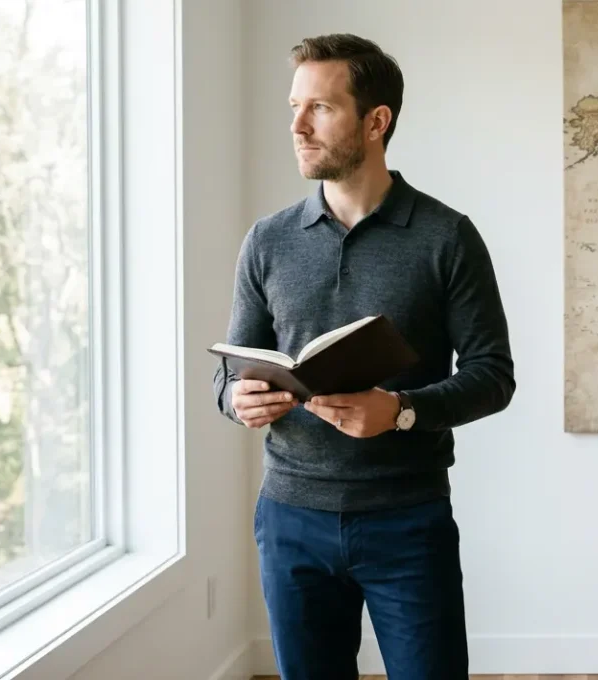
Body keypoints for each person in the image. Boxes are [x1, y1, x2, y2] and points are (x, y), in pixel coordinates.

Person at [211, 33, 515, 680]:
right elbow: (228, 373)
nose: (297, 125)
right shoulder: (266, 242)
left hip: (408, 521)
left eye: (320, 108)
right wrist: (237, 399)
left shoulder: (447, 238)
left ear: (376, 122)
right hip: (289, 521)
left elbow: (493, 376)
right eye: (294, 106)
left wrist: (401, 411)